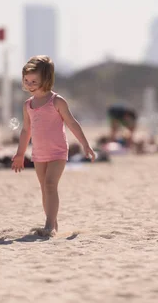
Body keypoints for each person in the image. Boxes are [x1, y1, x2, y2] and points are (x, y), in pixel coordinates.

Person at [12, 55, 95, 237]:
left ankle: (49, 225)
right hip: (39, 152)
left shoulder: (57, 101)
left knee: (50, 184)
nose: (30, 84)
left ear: (46, 79)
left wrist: (85, 145)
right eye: (27, 80)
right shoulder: (28, 105)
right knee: (44, 187)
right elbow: (26, 131)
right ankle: (53, 222)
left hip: (58, 151)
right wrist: (20, 154)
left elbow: (72, 123)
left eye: (34, 80)